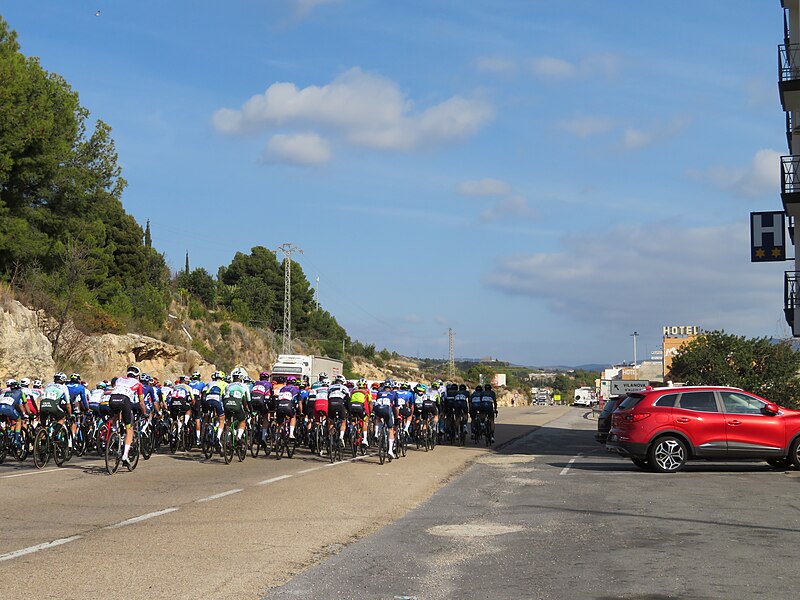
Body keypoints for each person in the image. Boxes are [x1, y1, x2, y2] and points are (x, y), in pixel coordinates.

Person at [108, 366, 146, 467]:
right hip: (125, 400)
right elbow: (141, 402)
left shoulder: (119, 379)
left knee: (116, 414)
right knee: (129, 428)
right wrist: (144, 412)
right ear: (137, 376)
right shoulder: (138, 383)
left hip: (112, 399)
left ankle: (114, 431)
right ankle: (125, 455)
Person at [223, 368, 251, 443]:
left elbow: (225, 396)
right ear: (241, 378)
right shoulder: (244, 386)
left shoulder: (228, 386)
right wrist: (250, 410)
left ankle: (228, 440)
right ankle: (238, 437)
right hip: (236, 404)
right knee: (242, 420)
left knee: (228, 421)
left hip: (226, 403)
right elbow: (247, 400)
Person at [373, 381, 397, 459]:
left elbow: (376, 402)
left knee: (378, 418)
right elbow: (396, 407)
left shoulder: (379, 392)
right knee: (390, 429)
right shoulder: (393, 393)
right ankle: (390, 450)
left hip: (378, 409)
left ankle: (377, 433)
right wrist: (397, 417)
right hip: (387, 409)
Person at [204, 371, 227, 448]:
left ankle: (210, 431)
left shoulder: (210, 383)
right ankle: (218, 437)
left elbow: (203, 392)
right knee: (222, 419)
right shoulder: (225, 384)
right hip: (217, 399)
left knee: (210, 416)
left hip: (207, 399)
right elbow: (225, 396)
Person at [327, 375, 351, 446]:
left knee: (331, 421)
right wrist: (349, 411)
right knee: (343, 421)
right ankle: (341, 437)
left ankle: (330, 438)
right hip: (340, 403)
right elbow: (347, 401)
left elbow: (327, 397)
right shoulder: (345, 388)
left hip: (331, 403)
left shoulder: (330, 387)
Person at [348, 378, 371, 447]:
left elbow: (350, 399)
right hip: (360, 407)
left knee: (353, 419)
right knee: (364, 421)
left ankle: (351, 431)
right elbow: (370, 403)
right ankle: (365, 440)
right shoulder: (367, 391)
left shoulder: (354, 391)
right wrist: (370, 412)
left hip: (352, 406)